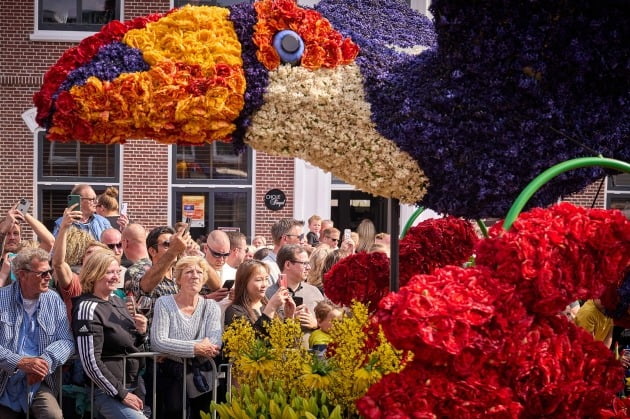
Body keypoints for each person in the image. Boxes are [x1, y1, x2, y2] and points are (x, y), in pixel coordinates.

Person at [0, 248, 74, 418]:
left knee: (53, 415)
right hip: (4, 380)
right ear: (22, 275)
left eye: (50, 271)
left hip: (39, 381)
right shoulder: (1, 298)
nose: (49, 277)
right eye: (42, 273)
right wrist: (19, 362)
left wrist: (44, 362)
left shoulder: (53, 299)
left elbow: (67, 341)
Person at [73, 251, 148, 419]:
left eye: (117, 272)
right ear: (94, 274)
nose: (116, 277)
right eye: (109, 272)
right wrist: (121, 394)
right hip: (107, 391)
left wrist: (142, 333)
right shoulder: (87, 308)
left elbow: (131, 344)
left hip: (132, 385)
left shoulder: (117, 301)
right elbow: (91, 361)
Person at [151, 256, 223, 419]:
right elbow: (158, 342)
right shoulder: (164, 303)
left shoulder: (211, 307)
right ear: (178, 278)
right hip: (172, 380)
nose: (195, 275)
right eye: (189, 271)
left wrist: (173, 349)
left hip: (204, 379)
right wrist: (195, 348)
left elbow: (214, 343)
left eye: (199, 272)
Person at [265, 245, 324, 341]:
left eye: (308, 263)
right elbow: (263, 331)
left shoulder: (314, 291)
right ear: (287, 264)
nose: (308, 267)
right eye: (304, 263)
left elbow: (330, 325)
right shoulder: (269, 295)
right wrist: (289, 320)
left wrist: (316, 324)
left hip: (313, 354)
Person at [224, 260, 296, 334]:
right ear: (244, 282)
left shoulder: (273, 306)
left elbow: (288, 342)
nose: (265, 284)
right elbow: (254, 341)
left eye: (266, 279)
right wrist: (271, 308)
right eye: (259, 280)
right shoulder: (235, 311)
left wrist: (289, 317)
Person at [262, 218, 305, 284]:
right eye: (300, 237)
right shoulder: (266, 268)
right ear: (285, 239)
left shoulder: (296, 264)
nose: (303, 241)